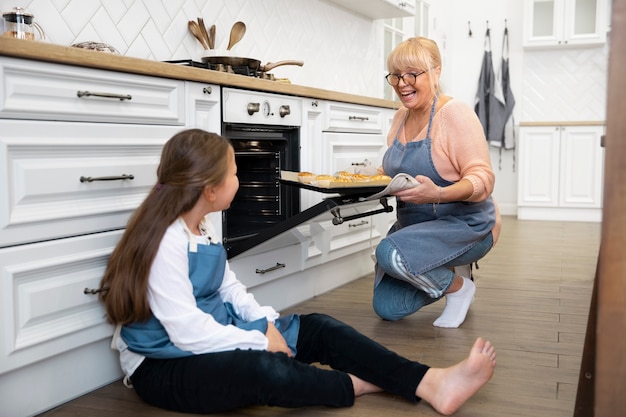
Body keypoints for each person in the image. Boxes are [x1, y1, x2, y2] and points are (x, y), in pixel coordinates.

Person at [99, 129, 497, 415]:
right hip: (166, 366)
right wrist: (260, 342)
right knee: (264, 369)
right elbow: (186, 332)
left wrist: (267, 325)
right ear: (209, 189)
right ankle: (365, 383)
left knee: (320, 327)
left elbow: (230, 288)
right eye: (235, 172)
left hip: (214, 336)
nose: (240, 179)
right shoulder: (165, 242)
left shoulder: (200, 224)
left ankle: (430, 382)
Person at [374, 37, 502, 329]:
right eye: (395, 75)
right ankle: (445, 270)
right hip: (416, 228)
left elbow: (483, 180)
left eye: (412, 74)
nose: (402, 83)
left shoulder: (454, 114)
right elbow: (392, 168)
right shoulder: (399, 118)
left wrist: (438, 194)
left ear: (436, 71)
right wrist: (364, 179)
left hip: (467, 226)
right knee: (387, 307)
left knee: (388, 252)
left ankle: (460, 289)